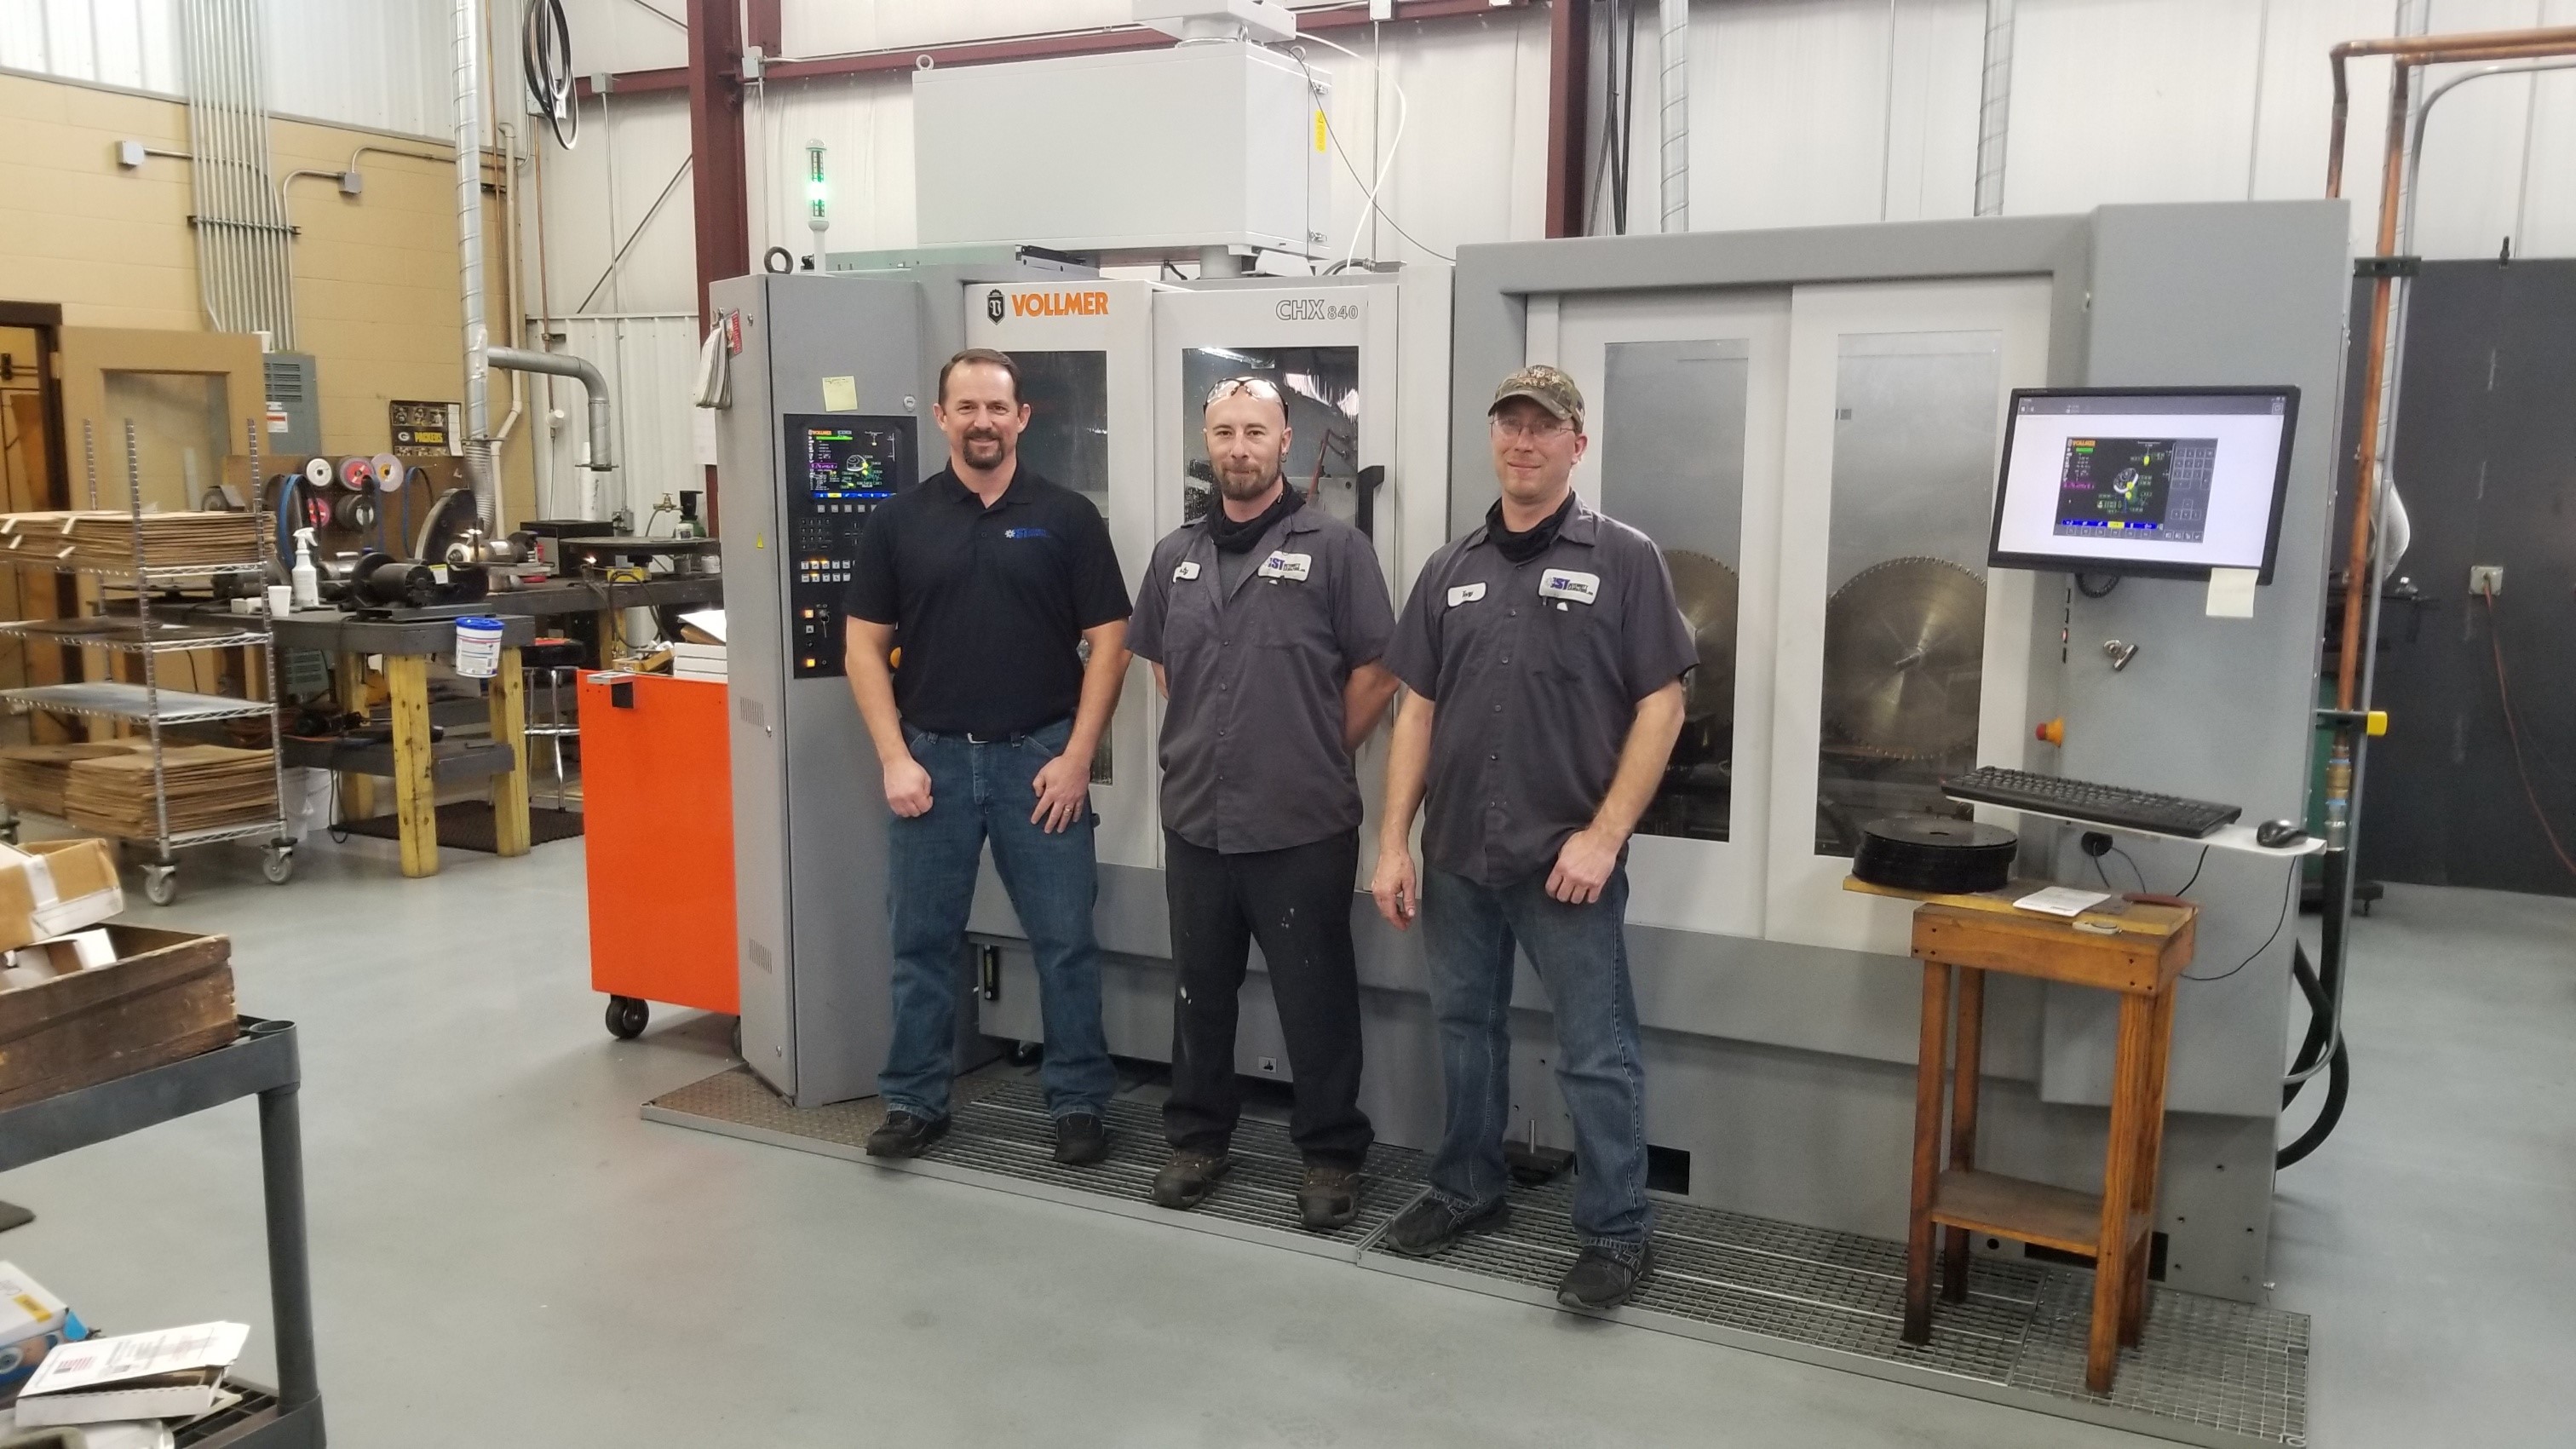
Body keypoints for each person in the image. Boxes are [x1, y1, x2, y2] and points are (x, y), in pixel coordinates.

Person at [1370, 365, 1695, 1310]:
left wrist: (1604, 836)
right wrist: (1394, 841)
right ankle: (1468, 1185)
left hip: (1567, 863)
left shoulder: (1625, 559)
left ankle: (1619, 1231)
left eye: (1543, 428)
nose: (1523, 441)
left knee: (1596, 1050)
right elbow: (1416, 713)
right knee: (1464, 1030)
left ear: (1575, 445)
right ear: (1494, 438)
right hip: (1460, 853)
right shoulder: (1450, 569)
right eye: (1509, 425)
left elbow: (1662, 706)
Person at [842, 347, 1131, 1166]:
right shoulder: (898, 522)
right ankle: (913, 1100)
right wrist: (895, 757)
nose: (982, 422)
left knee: (1065, 941)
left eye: (996, 408)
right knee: (921, 942)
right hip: (930, 765)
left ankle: (1078, 1100)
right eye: (965, 408)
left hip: (1037, 764)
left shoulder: (1068, 517)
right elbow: (864, 647)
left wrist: (1078, 755)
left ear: (1022, 418)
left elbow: (1112, 641)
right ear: (941, 418)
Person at [1127, 377, 1400, 1230]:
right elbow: (1167, 672)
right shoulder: (1175, 555)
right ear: (1206, 444)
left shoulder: (1337, 549)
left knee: (1314, 997)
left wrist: (1319, 748)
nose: (1238, 447)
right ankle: (1199, 1137)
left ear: (1286, 441)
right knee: (1199, 991)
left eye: (1255, 431)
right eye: (1223, 432)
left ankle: (1329, 1154)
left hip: (1301, 824)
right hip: (1198, 822)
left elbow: (1379, 670)